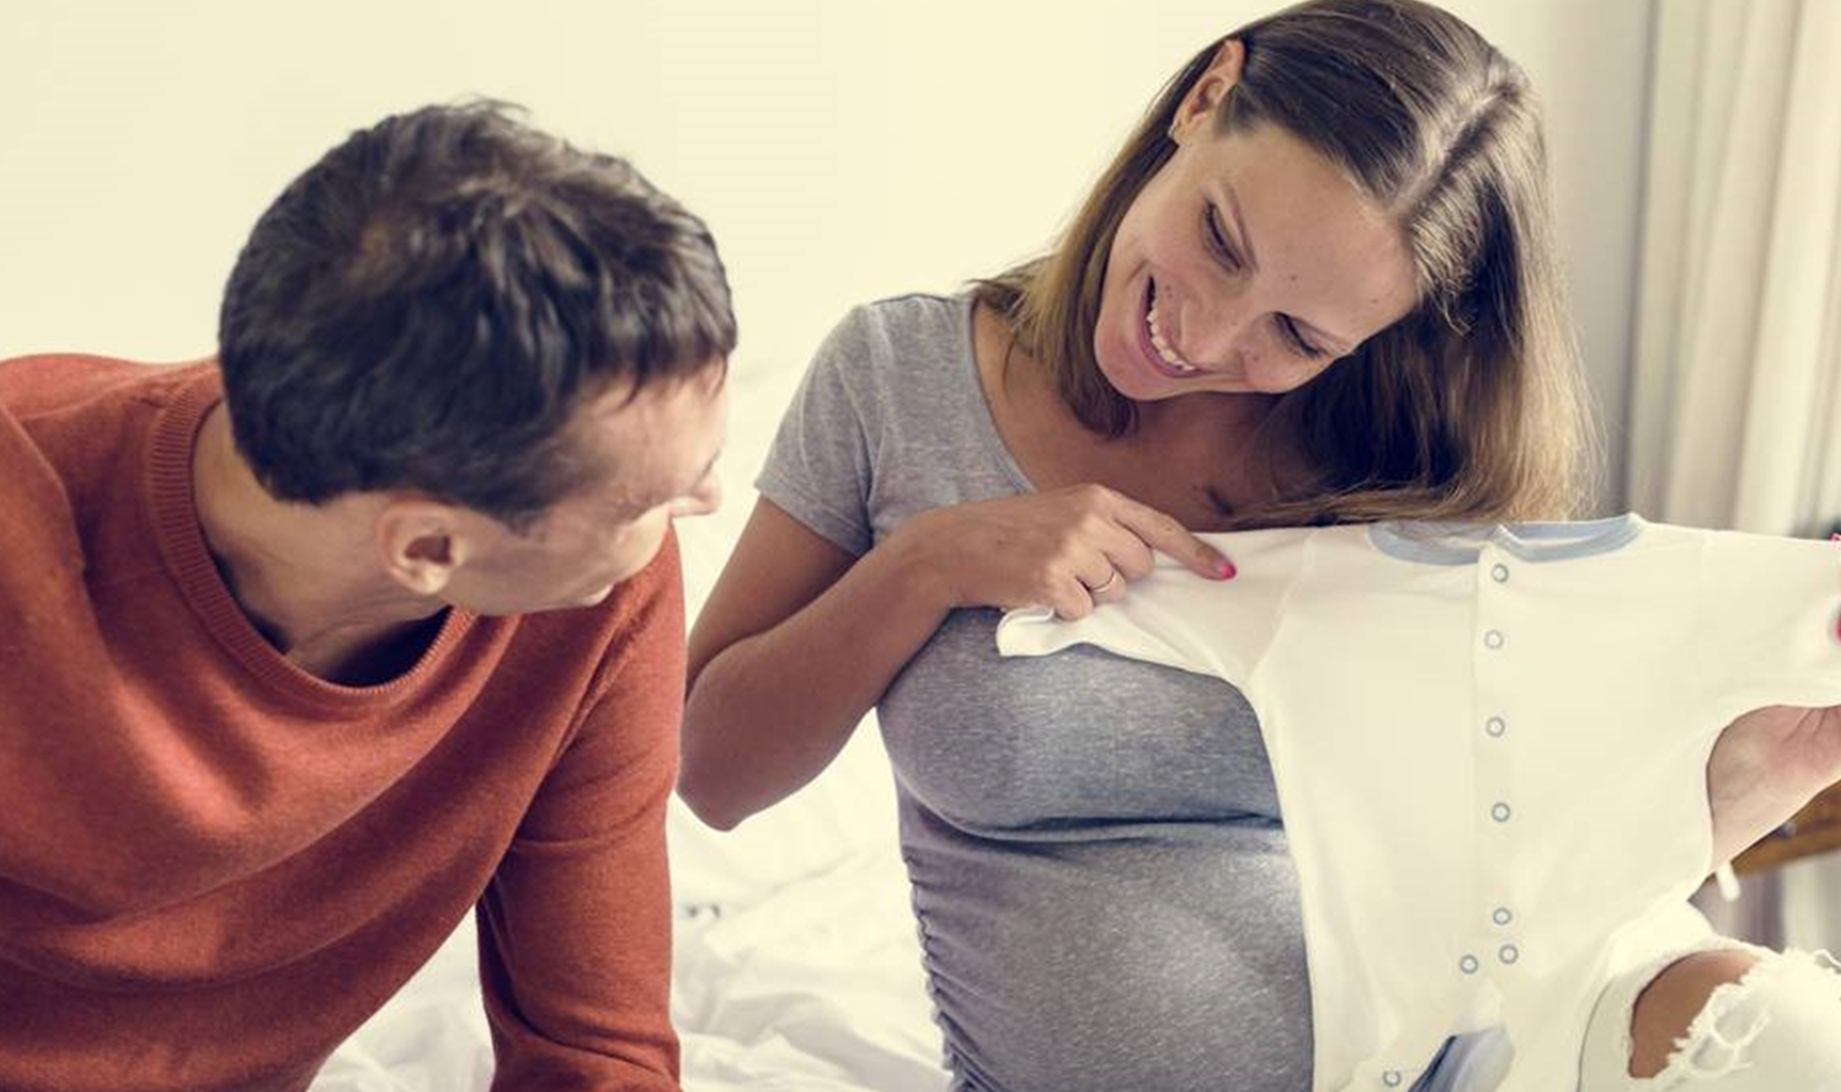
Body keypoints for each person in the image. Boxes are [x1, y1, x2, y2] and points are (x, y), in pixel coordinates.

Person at [676, 1, 1841, 1089]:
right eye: (1221, 240)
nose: (1202, 334)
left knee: (1792, 1043)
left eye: (1295, 331)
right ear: (1204, 98)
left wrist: (1724, 796)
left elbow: (1513, 855)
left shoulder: (1400, 470)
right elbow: (708, 772)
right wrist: (925, 565)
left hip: (1477, 1040)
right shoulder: (898, 381)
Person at [0, 101, 731, 1091]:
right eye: (654, 496)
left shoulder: (591, 589)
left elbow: (595, 1050)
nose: (704, 501)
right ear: (427, 546)